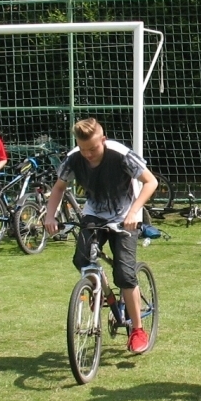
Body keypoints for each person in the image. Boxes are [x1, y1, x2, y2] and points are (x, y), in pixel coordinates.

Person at [44, 118, 160, 354]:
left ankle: (138, 329)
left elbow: (151, 181)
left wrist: (134, 211)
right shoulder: (74, 157)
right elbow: (58, 187)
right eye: (83, 148)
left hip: (126, 217)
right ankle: (107, 296)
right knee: (82, 259)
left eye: (93, 148)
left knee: (125, 274)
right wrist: (50, 216)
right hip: (94, 215)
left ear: (103, 140)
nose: (87, 154)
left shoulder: (121, 154)